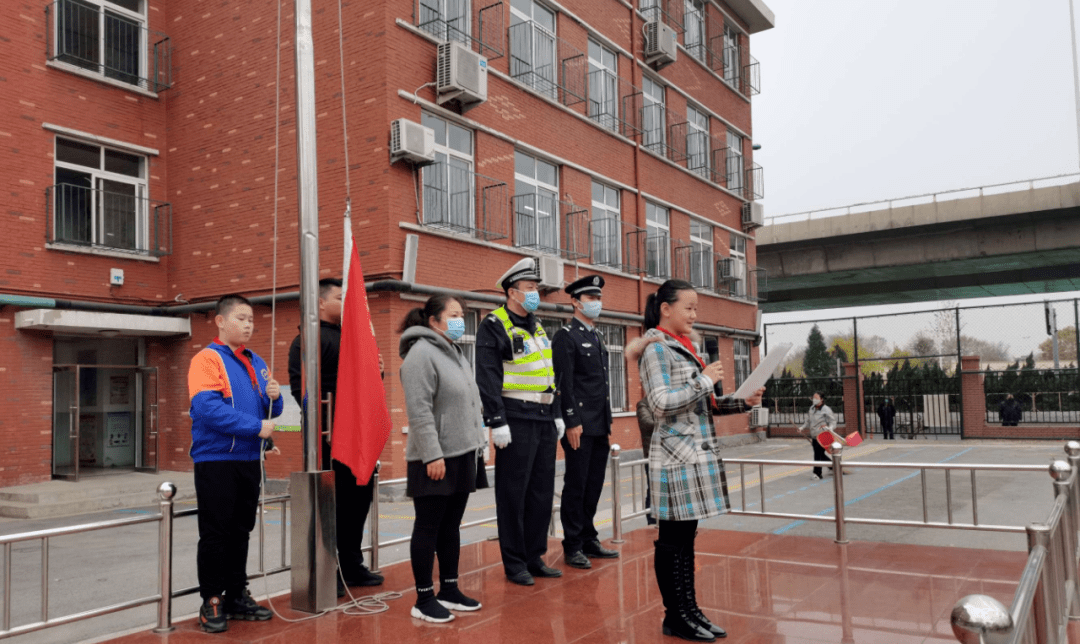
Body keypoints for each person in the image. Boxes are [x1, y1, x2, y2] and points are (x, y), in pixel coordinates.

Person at [637, 279, 763, 642]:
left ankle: (690, 609)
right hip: (676, 457)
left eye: (696, 308)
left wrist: (742, 401)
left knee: (686, 538)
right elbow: (660, 403)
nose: (694, 314)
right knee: (672, 540)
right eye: (688, 307)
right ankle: (675, 615)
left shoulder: (683, 347)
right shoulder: (655, 349)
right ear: (666, 308)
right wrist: (705, 381)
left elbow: (699, 405)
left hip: (691, 455)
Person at [188, 294, 283, 633]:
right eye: (241, 318)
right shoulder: (207, 360)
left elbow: (273, 411)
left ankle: (236, 595)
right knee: (216, 532)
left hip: (248, 458)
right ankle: (212, 599)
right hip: (217, 460)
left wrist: (275, 396)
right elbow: (207, 410)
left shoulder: (256, 361)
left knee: (241, 530)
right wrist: (256, 427)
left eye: (251, 320)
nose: (248, 325)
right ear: (220, 321)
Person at [287, 278, 384, 596]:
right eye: (342, 298)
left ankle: (353, 564)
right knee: (332, 505)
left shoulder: (353, 336)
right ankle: (329, 570)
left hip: (358, 434)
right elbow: (303, 388)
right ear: (320, 303)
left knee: (358, 501)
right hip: (328, 436)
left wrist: (374, 370)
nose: (348, 304)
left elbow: (364, 384)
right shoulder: (308, 340)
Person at [475, 257, 564, 586]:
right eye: (530, 288)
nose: (535, 293)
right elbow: (487, 376)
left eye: (536, 288)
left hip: (542, 417)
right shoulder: (494, 324)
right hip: (515, 418)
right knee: (514, 492)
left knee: (541, 491)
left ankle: (533, 555)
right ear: (512, 292)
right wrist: (496, 420)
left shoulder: (537, 326)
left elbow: (548, 373)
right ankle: (514, 563)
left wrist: (555, 413)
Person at [399, 295, 487, 623]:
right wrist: (432, 454)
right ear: (434, 321)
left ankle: (449, 589)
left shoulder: (455, 353)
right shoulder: (421, 354)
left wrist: (479, 445)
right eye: (454, 315)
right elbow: (419, 410)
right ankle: (423, 598)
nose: (459, 320)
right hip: (434, 457)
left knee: (450, 526)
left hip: (462, 453)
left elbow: (467, 402)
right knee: (428, 526)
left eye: (462, 315)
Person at [552, 275, 620, 570]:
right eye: (591, 299)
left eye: (598, 298)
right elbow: (563, 382)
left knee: (593, 484)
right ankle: (573, 544)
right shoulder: (566, 336)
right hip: (578, 424)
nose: (596, 303)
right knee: (576, 485)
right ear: (575, 302)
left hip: (599, 423)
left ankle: (589, 536)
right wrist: (570, 421)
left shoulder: (596, 335)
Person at [798, 392, 837, 480]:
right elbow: (808, 420)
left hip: (823, 435)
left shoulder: (826, 409)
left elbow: (833, 422)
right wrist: (802, 427)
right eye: (813, 397)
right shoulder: (811, 408)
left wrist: (829, 428)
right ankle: (833, 467)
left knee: (817, 454)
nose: (814, 399)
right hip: (814, 435)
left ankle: (817, 474)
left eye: (816, 398)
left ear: (821, 399)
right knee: (820, 454)